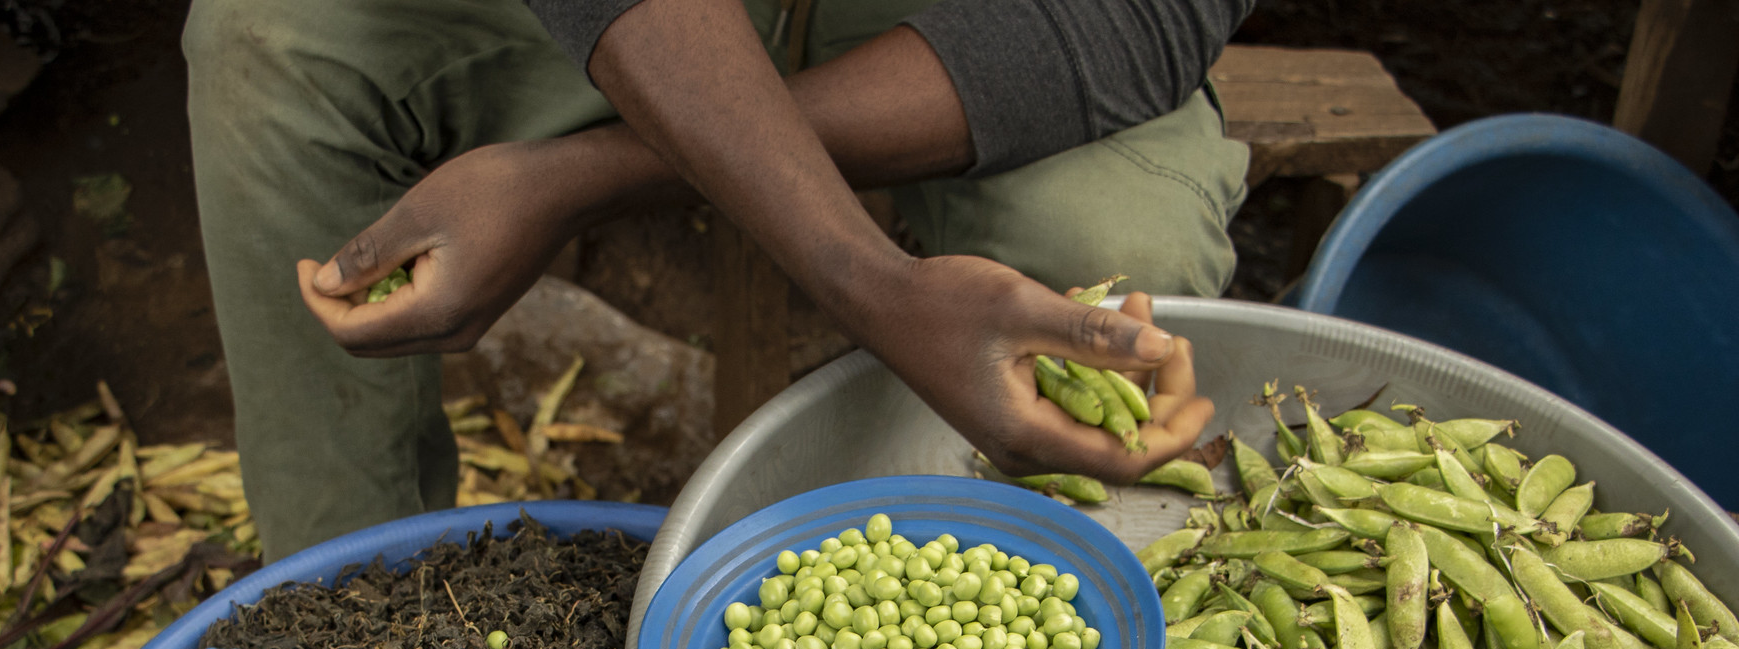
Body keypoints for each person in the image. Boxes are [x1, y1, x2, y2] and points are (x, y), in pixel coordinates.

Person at [186, 0, 1255, 559]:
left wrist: (581, 175)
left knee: (1116, 279)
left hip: (989, 26)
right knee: (269, 47)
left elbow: (1136, 14)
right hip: (641, 15)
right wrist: (865, 273)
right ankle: (341, 643)